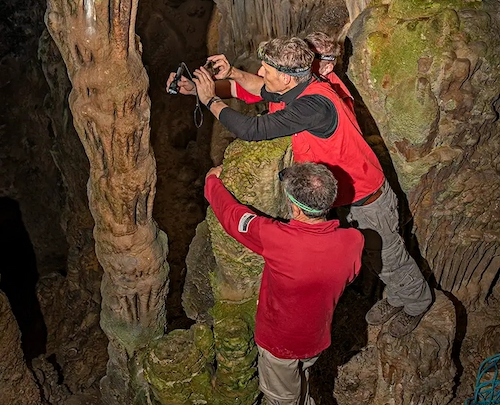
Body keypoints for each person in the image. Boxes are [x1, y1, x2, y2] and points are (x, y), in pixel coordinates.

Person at [167, 36, 432, 337]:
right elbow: (259, 89)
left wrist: (210, 101)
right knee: (376, 255)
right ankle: (398, 296)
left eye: (266, 69)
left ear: (286, 76)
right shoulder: (299, 87)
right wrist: (231, 74)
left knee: (389, 254)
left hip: (367, 197)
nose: (261, 73)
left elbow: (253, 129)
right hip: (346, 196)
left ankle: (416, 302)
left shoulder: (314, 107)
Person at [205, 161, 363, 405]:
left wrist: (212, 183)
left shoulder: (278, 239)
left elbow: (233, 217)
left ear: (296, 208)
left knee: (281, 398)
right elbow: (350, 275)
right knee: (302, 378)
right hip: (316, 337)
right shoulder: (353, 242)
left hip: (280, 342)